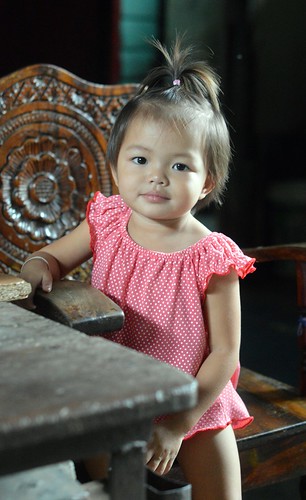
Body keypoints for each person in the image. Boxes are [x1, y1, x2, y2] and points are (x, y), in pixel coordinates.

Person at [20, 38, 255, 500]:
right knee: (107, 486)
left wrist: (178, 423)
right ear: (116, 165)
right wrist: (39, 266)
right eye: (141, 159)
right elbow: (51, 257)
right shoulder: (107, 222)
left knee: (223, 491)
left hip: (190, 398)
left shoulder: (212, 256)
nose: (157, 176)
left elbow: (225, 353)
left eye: (180, 165)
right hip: (114, 391)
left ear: (206, 180)